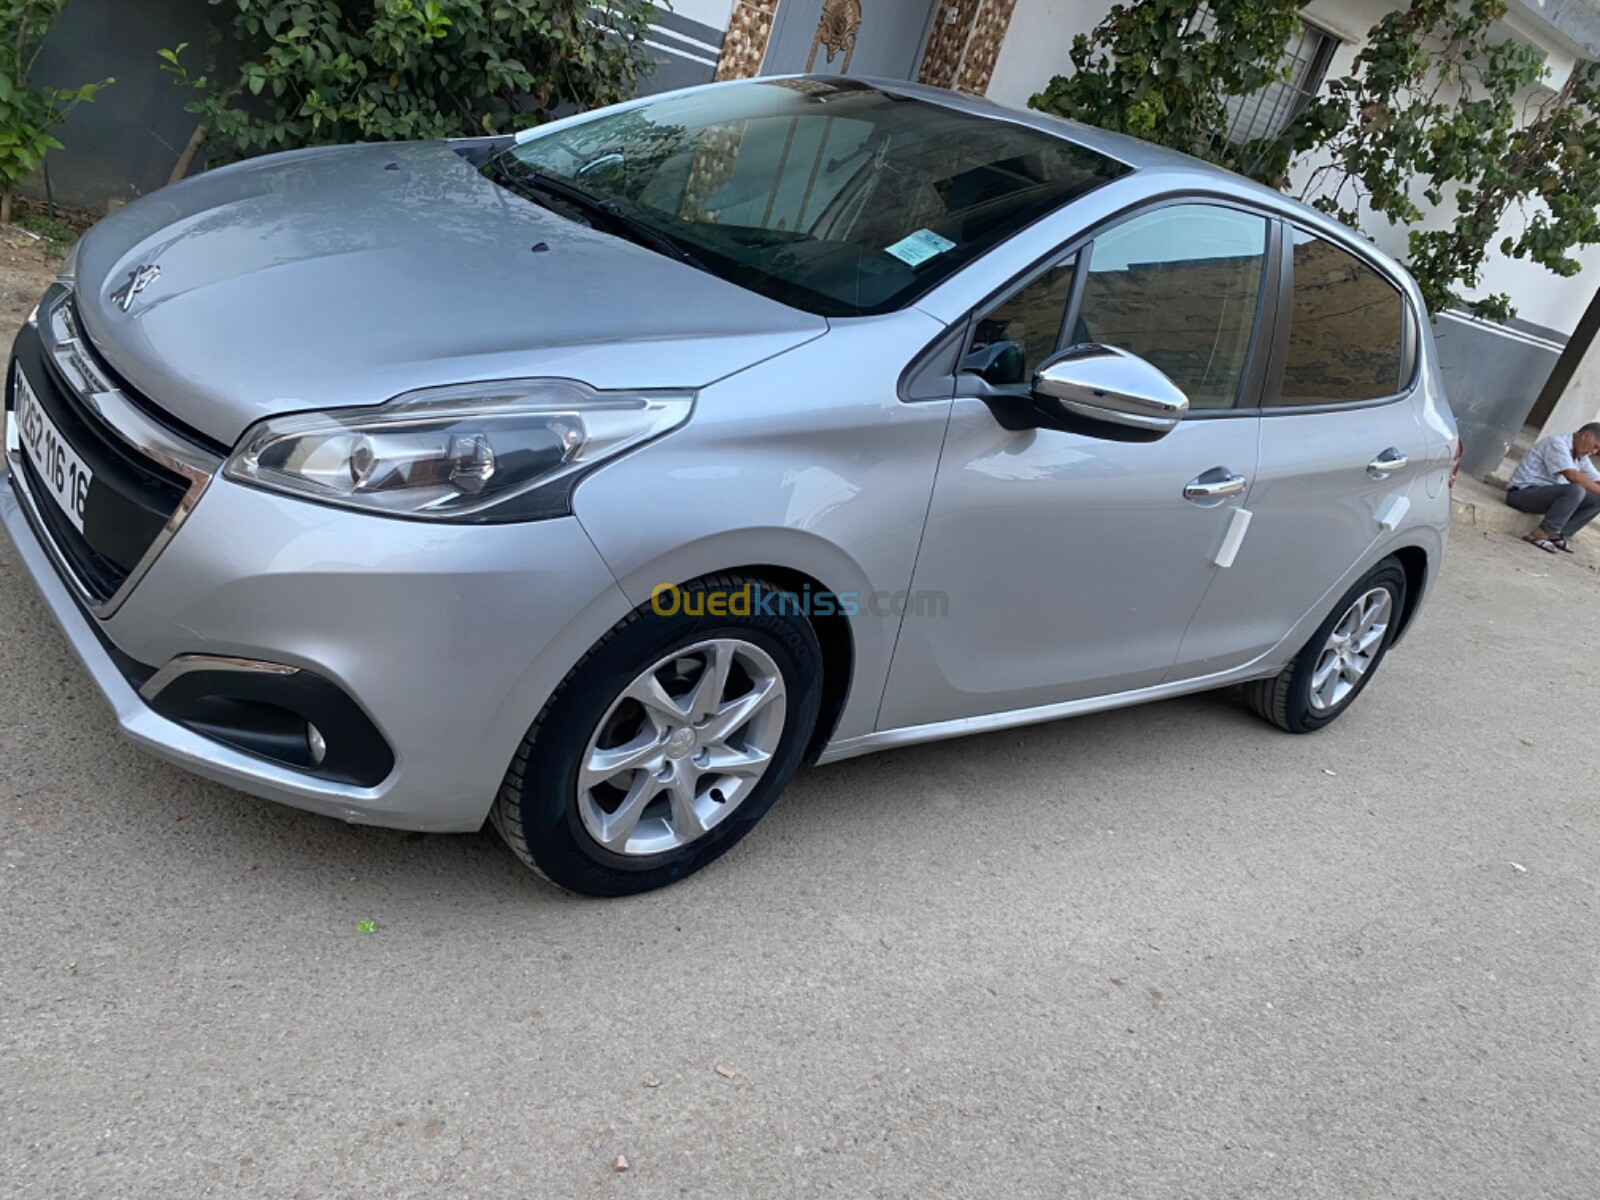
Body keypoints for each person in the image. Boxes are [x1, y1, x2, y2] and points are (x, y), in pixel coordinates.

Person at [1506, 422, 1600, 553]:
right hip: (1521, 494)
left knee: (1596, 499)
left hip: (1544, 496)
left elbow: (1597, 479)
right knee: (1576, 490)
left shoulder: (1580, 456)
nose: (1594, 452)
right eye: (1595, 446)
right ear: (1585, 436)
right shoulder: (1556, 443)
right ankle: (1540, 533)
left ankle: (1559, 534)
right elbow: (1572, 476)